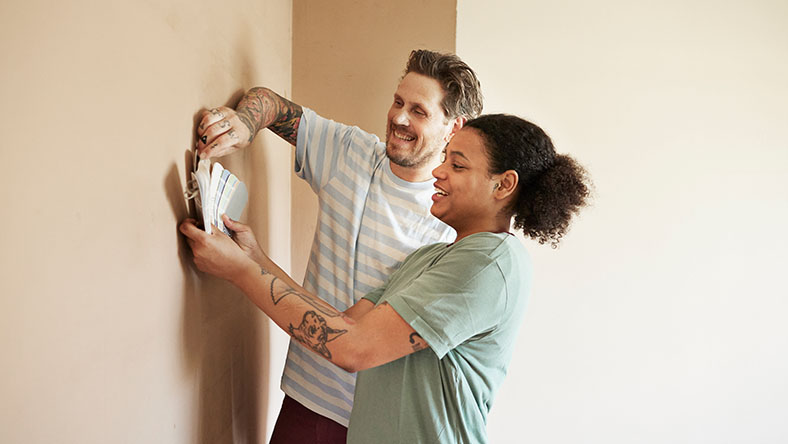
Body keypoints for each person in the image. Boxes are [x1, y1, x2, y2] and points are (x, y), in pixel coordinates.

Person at [180, 113, 592, 443]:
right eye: (445, 158)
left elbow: (352, 350)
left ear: (504, 184)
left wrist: (239, 271)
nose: (439, 172)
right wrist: (257, 260)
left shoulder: (490, 264)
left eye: (458, 164)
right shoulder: (434, 257)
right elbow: (348, 324)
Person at [193, 50, 484, 442]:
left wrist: (246, 269)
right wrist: (245, 123)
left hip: (383, 426)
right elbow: (272, 105)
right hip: (307, 400)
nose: (399, 117)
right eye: (398, 101)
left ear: (454, 127)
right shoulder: (350, 152)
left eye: (419, 110)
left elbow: (356, 332)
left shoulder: (451, 223)